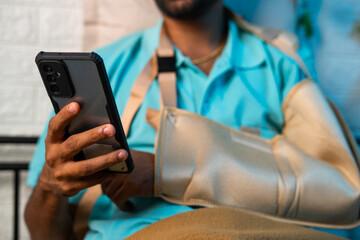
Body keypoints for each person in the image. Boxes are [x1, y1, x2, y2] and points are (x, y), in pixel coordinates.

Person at [25, 0, 360, 239]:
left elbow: (339, 192)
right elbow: (43, 234)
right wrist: (49, 187)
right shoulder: (108, 68)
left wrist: (166, 171)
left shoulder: (283, 65)